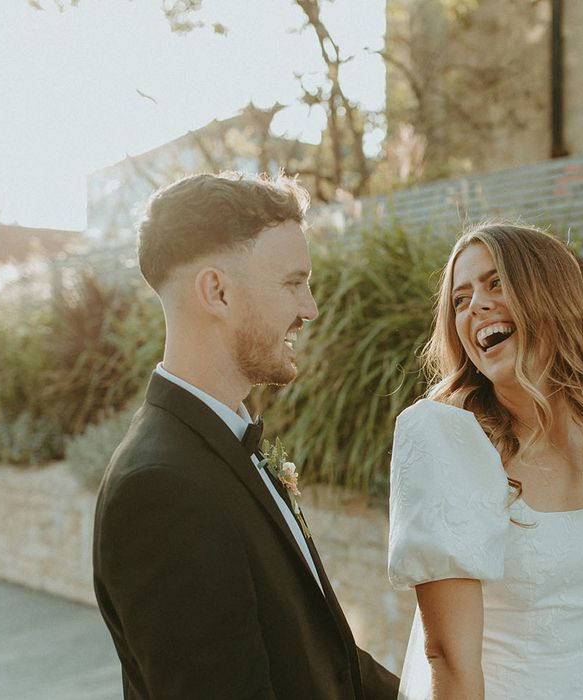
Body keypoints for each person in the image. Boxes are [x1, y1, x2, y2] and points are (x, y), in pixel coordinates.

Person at [93, 172, 399, 700]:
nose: (311, 308)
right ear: (218, 291)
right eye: (292, 282)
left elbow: (323, 659)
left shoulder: (217, 443)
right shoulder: (161, 489)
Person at [387, 222, 583, 699]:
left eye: (495, 282)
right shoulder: (447, 439)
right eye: (460, 299)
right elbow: (448, 656)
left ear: (551, 293)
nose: (476, 306)